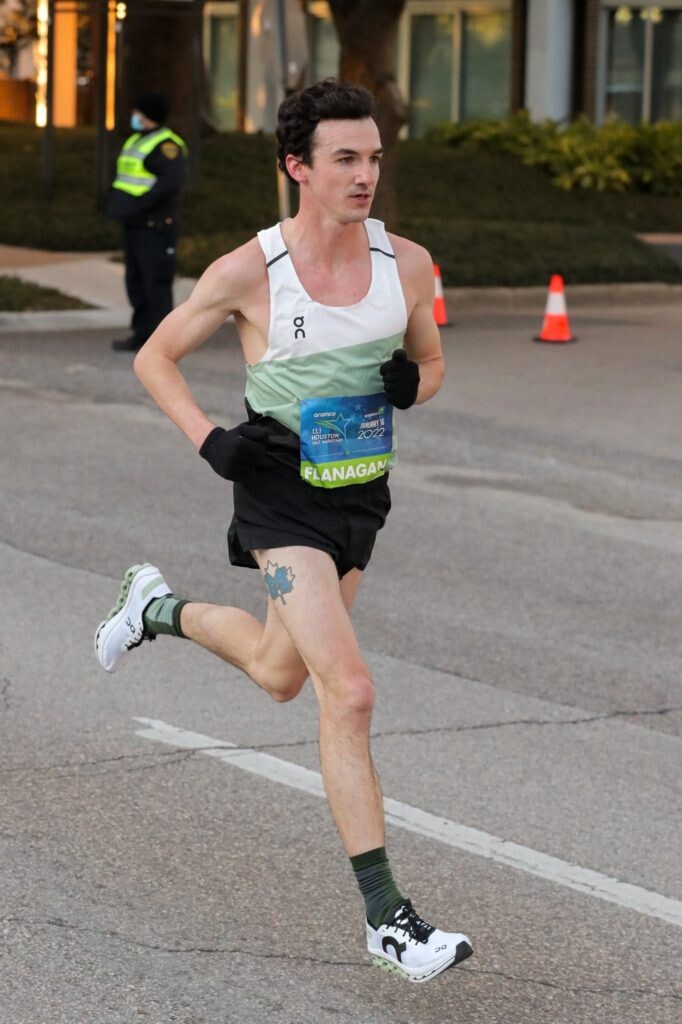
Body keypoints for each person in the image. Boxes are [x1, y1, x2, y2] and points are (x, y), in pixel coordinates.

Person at [94, 79, 473, 984]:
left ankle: (155, 609)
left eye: (373, 157)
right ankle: (388, 918)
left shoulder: (406, 264)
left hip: (358, 497)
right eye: (345, 159)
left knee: (278, 673)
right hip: (277, 496)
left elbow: (430, 362)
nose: (364, 174)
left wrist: (411, 386)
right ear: (297, 167)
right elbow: (156, 357)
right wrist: (210, 440)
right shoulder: (250, 271)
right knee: (350, 691)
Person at [107, 91, 187, 352]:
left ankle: (162, 342)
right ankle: (141, 334)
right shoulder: (136, 140)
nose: (134, 116)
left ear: (148, 115)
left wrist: (140, 205)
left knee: (156, 283)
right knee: (136, 282)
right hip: (135, 224)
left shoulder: (167, 145)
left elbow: (169, 184)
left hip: (155, 226)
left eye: (138, 112)